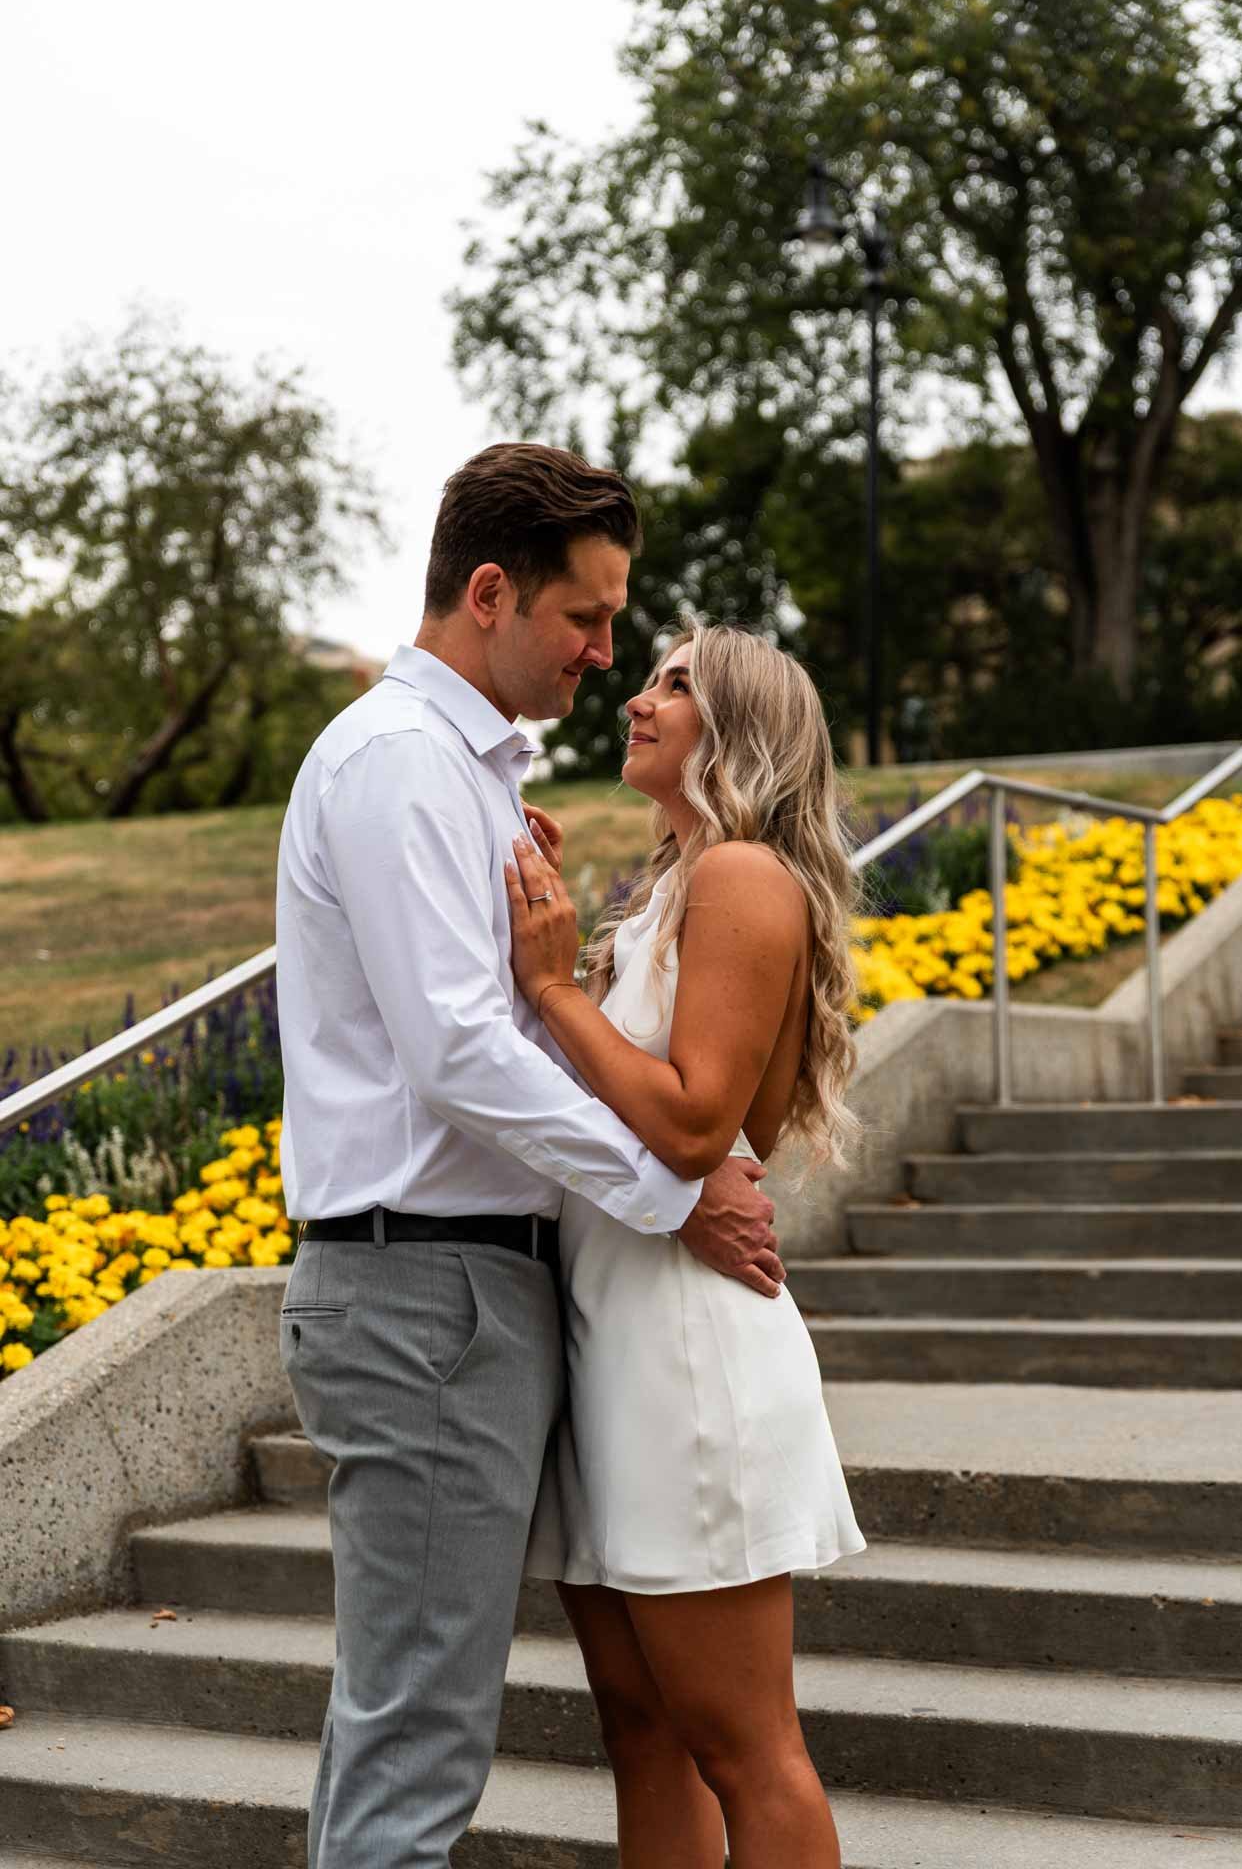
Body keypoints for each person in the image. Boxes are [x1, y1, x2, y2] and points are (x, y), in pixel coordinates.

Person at [273, 442, 782, 1869]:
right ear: (488, 593)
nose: (605, 654)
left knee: (399, 1729)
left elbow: (487, 1023)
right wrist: (670, 1189)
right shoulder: (398, 765)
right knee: (416, 1747)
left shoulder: (458, 774)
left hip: (463, 1291)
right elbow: (453, 1053)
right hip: (427, 1295)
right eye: (586, 618)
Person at [519, 619, 867, 1869]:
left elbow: (692, 1122)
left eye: (675, 684)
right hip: (610, 1339)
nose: (639, 697)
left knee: (739, 1740)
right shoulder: (674, 888)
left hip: (687, 1354)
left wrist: (558, 990)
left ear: (739, 729)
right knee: (640, 1731)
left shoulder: (743, 880)